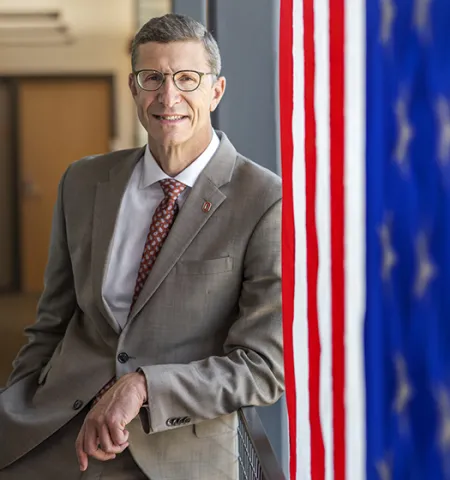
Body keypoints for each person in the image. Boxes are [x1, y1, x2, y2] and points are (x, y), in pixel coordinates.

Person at [0, 13, 283, 480]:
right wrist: (18, 399)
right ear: (134, 89)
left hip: (176, 450)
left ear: (216, 90)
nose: (168, 96)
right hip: (52, 430)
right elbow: (52, 321)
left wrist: (144, 387)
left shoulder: (264, 200)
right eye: (152, 78)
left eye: (187, 79)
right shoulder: (84, 181)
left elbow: (264, 366)